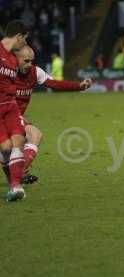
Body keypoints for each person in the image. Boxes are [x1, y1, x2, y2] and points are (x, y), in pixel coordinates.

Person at [0, 45, 92, 185]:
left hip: (14, 117)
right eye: (25, 61)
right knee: (30, 137)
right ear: (15, 59)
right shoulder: (5, 73)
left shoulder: (35, 72)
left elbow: (54, 84)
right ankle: (17, 175)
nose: (29, 64)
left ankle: (17, 174)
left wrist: (79, 86)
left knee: (30, 138)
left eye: (31, 61)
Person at [0, 20, 29, 201]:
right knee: (6, 147)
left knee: (19, 139)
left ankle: (16, 187)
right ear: (18, 36)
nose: (24, 43)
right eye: (24, 40)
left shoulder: (12, 59)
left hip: (10, 106)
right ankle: (12, 178)